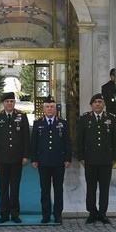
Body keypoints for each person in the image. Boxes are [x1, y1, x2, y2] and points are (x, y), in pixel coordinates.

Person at [79, 92, 116, 224]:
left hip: (105, 160)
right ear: (91, 105)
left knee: (104, 188)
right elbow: (80, 139)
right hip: (90, 160)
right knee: (91, 188)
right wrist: (81, 157)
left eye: (100, 102)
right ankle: (92, 212)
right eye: (95, 102)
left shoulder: (111, 118)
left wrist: (114, 157)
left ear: (104, 104)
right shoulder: (85, 119)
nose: (98, 104)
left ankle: (102, 213)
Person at [0, 91, 30, 223]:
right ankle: (4, 214)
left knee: (15, 187)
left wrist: (25, 156)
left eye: (11, 101)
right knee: (3, 187)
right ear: (3, 104)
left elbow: (26, 138)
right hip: (2, 158)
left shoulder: (21, 117)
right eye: (7, 101)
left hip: (17, 158)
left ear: (14, 102)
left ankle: (15, 214)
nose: (9, 103)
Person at [31, 96, 72, 224]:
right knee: (45, 189)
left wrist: (67, 159)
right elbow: (34, 143)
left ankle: (58, 214)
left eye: (52, 107)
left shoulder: (63, 123)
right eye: (47, 107)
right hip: (43, 162)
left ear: (55, 108)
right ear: (44, 109)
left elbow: (67, 143)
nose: (49, 109)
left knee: (58, 189)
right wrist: (34, 159)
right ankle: (46, 214)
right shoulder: (38, 123)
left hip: (58, 161)